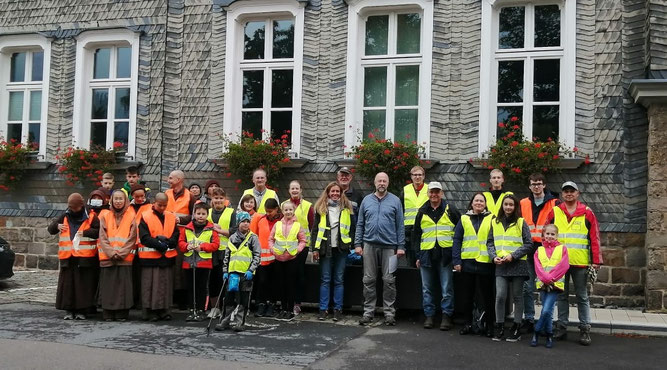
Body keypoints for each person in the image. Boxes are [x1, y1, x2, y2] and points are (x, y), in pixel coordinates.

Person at [546, 181, 602, 346]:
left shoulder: (587, 213)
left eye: (572, 191)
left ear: (578, 193)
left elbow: (594, 238)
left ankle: (585, 329)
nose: (569, 194)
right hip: (560, 262)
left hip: (580, 262)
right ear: (562, 195)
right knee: (561, 296)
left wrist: (596, 260)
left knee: (582, 296)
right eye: (566, 191)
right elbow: (547, 236)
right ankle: (561, 327)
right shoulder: (555, 212)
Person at [355, 172, 405, 326]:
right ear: (374, 183)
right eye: (379, 181)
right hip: (369, 245)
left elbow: (400, 225)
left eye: (384, 181)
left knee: (389, 280)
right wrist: (357, 244)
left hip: (390, 247)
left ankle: (389, 313)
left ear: (387, 183)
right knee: (368, 280)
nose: (381, 183)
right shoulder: (366, 200)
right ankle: (368, 312)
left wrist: (401, 246)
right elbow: (360, 223)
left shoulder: (395, 201)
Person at [411, 181, 461, 330]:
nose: (434, 194)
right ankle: (429, 316)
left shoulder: (450, 209)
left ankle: (446, 316)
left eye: (437, 192)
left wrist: (456, 256)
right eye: (431, 192)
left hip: (445, 255)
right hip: (426, 254)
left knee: (446, 287)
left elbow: (460, 232)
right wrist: (417, 256)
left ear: (442, 193)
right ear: (428, 193)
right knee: (427, 288)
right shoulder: (422, 211)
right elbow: (416, 235)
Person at [487, 194, 533, 342]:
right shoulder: (495, 222)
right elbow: (490, 242)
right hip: (501, 264)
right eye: (506, 204)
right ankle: (499, 325)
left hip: (517, 264)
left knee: (517, 297)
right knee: (500, 296)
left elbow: (528, 244)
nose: (508, 207)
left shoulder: (521, 222)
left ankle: (517, 326)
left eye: (511, 205)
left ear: (515, 207)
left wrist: (513, 256)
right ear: (502, 206)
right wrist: (493, 256)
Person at [48, 193, 100, 320]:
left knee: (83, 285)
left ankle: (82, 311)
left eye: (74, 208)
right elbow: (51, 229)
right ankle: (69, 310)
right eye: (70, 207)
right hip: (68, 257)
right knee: (67, 285)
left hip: (84, 258)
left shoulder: (91, 216)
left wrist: (86, 232)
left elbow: (99, 232)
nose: (72, 210)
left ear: (81, 206)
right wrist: (57, 226)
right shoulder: (65, 215)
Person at [519, 173, 560, 333]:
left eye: (539, 183)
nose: (536, 186)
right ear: (529, 186)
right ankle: (529, 318)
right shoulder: (523, 203)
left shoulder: (555, 203)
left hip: (546, 251)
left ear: (544, 185)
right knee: (527, 287)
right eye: (533, 184)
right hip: (528, 249)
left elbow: (559, 227)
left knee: (546, 287)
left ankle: (545, 321)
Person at [312, 182, 355, 322]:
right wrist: (315, 249)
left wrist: (353, 245)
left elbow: (353, 228)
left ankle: (338, 309)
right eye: (333, 191)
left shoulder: (347, 209)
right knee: (325, 279)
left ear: (341, 193)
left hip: (341, 249)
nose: (335, 194)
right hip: (325, 248)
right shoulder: (320, 208)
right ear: (328, 193)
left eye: (338, 191)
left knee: (339, 280)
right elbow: (315, 230)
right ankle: (323, 309)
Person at [453, 192, 495, 336]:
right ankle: (467, 324)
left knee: (488, 296)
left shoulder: (491, 218)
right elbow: (457, 240)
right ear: (471, 203)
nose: (478, 203)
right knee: (467, 296)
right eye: (476, 201)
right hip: (468, 263)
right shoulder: (464, 218)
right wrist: (456, 261)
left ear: (485, 204)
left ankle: (489, 326)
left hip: (486, 263)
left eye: (481, 201)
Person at [217, 212, 261, 332]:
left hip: (246, 274)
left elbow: (257, 256)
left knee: (243, 300)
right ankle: (224, 321)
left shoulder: (253, 238)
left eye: (247, 221)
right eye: (243, 221)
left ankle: (239, 322)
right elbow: (227, 255)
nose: (246, 224)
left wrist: (251, 270)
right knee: (229, 299)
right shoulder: (232, 238)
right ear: (238, 223)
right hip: (232, 274)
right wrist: (225, 271)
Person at [138, 192, 179, 321]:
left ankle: (164, 311)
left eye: (164, 205)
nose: (162, 208)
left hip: (167, 258)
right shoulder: (145, 216)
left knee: (165, 286)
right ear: (154, 203)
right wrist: (160, 245)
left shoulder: (171, 217)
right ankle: (150, 312)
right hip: (149, 258)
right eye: (159, 205)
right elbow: (144, 238)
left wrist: (168, 242)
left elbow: (176, 235)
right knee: (149, 286)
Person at [97, 190, 137, 321]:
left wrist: (122, 253)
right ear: (111, 201)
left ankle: (121, 314)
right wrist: (111, 252)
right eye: (116, 199)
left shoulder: (131, 216)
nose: (118, 201)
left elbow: (132, 237)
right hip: (108, 259)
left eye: (121, 199)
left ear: (125, 201)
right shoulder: (105, 215)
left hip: (124, 259)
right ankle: (108, 313)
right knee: (108, 287)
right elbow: (102, 237)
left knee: (123, 288)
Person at [178, 202, 220, 322]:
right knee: (190, 287)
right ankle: (191, 310)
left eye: (203, 214)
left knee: (202, 287)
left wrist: (202, 247)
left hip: (204, 263)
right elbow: (180, 242)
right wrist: (187, 246)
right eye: (198, 213)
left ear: (207, 215)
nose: (200, 216)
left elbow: (215, 245)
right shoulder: (187, 228)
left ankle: (201, 310)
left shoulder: (211, 229)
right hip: (189, 262)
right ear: (194, 214)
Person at [531, 224, 569, 349]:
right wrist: (545, 279)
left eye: (552, 234)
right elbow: (538, 267)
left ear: (557, 236)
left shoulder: (562, 249)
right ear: (543, 235)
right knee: (546, 311)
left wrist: (550, 279)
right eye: (547, 234)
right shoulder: (539, 250)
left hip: (555, 285)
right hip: (542, 284)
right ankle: (549, 335)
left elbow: (563, 266)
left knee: (547, 310)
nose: (550, 236)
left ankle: (536, 331)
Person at [269, 201, 307, 321]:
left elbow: (303, 240)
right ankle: (283, 308)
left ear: (293, 211)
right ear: (282, 211)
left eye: (291, 210)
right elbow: (270, 239)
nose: (288, 212)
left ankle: (290, 310)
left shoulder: (297, 225)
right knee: (281, 284)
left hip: (292, 259)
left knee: (291, 285)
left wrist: (297, 250)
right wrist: (272, 250)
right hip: (278, 258)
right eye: (286, 210)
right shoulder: (277, 224)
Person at [283, 180, 314, 316]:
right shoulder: (283, 204)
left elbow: (312, 225)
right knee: (288, 275)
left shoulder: (308, 206)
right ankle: (287, 303)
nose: (294, 190)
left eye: (297, 188)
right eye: (292, 188)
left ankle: (297, 303)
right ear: (289, 190)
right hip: (286, 246)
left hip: (302, 246)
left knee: (300, 274)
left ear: (301, 190)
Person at [165, 170, 195, 309]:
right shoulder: (166, 194)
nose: (168, 180)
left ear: (179, 180)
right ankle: (169, 297)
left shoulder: (190, 196)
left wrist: (181, 219)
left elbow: (195, 217)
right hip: (167, 235)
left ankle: (182, 299)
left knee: (181, 269)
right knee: (169, 267)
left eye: (171, 178)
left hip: (183, 236)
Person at [207, 187, 237, 318]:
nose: (218, 200)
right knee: (213, 281)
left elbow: (235, 230)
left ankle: (226, 308)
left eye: (221, 198)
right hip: (210, 252)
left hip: (225, 252)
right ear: (212, 199)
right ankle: (215, 308)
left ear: (225, 200)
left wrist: (220, 231)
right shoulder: (207, 212)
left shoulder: (231, 212)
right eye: (216, 198)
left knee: (225, 280)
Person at [252, 198, 281, 317]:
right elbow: (254, 236)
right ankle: (261, 304)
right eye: (266, 211)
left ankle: (272, 304)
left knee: (273, 282)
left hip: (276, 258)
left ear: (276, 209)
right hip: (262, 259)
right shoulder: (260, 220)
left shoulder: (281, 221)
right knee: (262, 282)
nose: (268, 213)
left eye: (271, 211)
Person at [400, 166, 429, 269]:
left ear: (424, 176)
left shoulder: (429, 190)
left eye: (420, 175)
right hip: (408, 229)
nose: (417, 177)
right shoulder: (405, 190)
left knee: (424, 258)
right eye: (415, 175)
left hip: (424, 228)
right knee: (410, 260)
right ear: (411, 177)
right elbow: (401, 210)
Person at [129, 183, 151, 309]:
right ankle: (133, 299)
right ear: (132, 196)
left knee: (142, 275)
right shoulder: (128, 207)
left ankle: (141, 301)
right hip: (130, 246)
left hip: (143, 245)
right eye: (137, 196)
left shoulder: (149, 207)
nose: (140, 199)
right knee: (132, 274)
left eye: (142, 196)